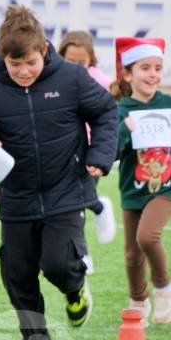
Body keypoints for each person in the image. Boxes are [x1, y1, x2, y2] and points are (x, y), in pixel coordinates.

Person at [0, 6, 118, 340]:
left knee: (58, 265)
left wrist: (100, 155)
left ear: (44, 50)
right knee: (17, 274)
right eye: (15, 64)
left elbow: (106, 113)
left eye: (31, 62)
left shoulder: (71, 77)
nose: (24, 71)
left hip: (66, 189)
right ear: (2, 56)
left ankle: (75, 290)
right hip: (16, 195)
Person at [112, 37, 171, 326]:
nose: (153, 74)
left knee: (147, 237)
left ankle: (164, 288)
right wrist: (124, 130)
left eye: (157, 68)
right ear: (128, 74)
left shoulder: (169, 105)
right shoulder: (121, 110)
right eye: (145, 68)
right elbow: (112, 152)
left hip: (167, 186)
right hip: (133, 188)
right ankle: (138, 300)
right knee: (132, 255)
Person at [57, 30, 118, 266]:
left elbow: (111, 111)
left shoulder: (101, 81)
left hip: (90, 150)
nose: (75, 66)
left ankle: (81, 253)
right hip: (64, 148)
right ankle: (98, 206)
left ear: (91, 59)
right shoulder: (56, 78)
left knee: (77, 202)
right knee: (69, 201)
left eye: (81, 62)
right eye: (70, 61)